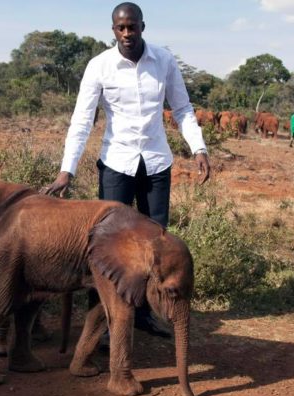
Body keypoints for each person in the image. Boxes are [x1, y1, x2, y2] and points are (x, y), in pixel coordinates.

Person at [43, 2, 210, 337]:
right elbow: (81, 120)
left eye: (132, 27)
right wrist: (67, 170)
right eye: (120, 28)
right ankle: (101, 324)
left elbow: (182, 108)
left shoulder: (164, 61)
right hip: (116, 165)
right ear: (113, 30)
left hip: (156, 165)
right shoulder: (99, 66)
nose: (127, 33)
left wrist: (199, 147)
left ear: (142, 27)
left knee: (155, 244)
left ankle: (145, 315)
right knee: (106, 244)